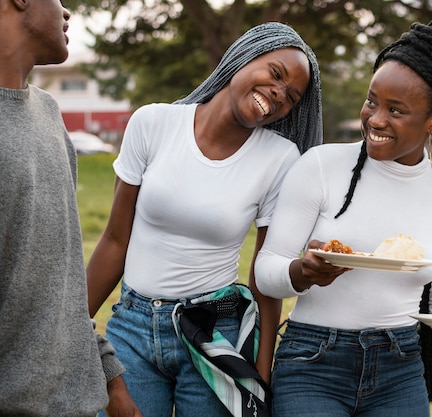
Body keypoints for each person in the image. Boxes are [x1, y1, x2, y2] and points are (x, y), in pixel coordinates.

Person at [255, 9, 432, 417]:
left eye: (396, 110)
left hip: (399, 366)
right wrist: (303, 273)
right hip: (312, 360)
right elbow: (266, 271)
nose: (375, 119)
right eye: (371, 101)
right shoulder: (320, 166)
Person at [85, 22, 322, 417]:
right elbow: (114, 240)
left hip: (213, 335)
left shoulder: (280, 158)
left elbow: (264, 276)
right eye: (275, 73)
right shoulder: (153, 124)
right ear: (244, 56)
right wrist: (72, 326)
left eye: (291, 97)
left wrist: (259, 376)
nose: (279, 93)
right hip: (132, 329)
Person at [0, 0, 140, 416]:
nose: (67, 13)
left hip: (76, 403)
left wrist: (109, 375)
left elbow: (59, 279)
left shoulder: (48, 113)